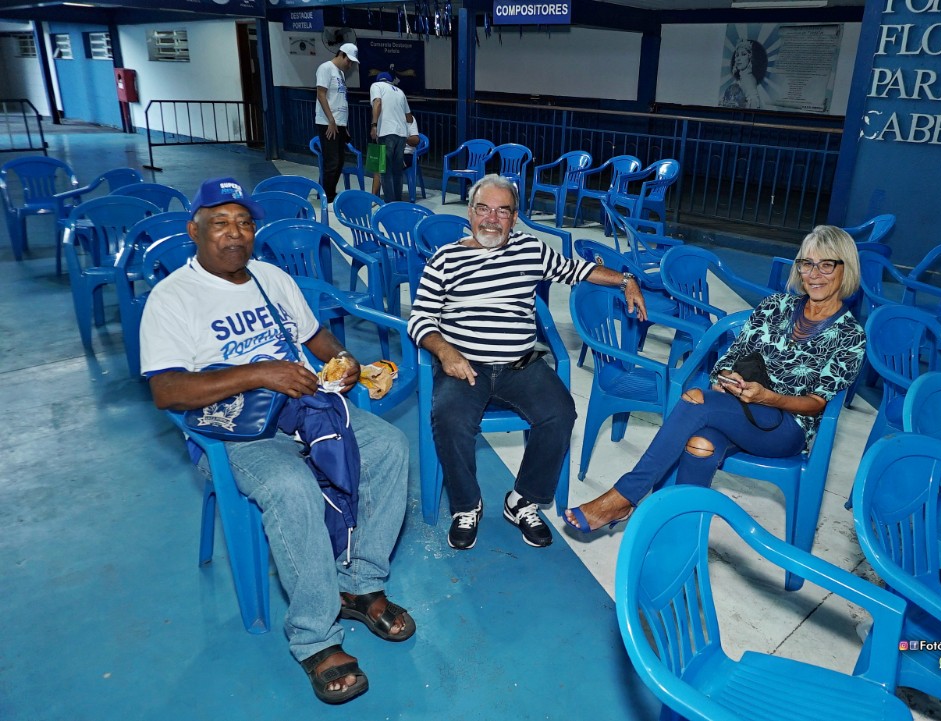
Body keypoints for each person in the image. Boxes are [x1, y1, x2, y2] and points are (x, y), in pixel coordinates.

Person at [140, 177, 415, 705]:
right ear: (194, 230)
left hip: (303, 412)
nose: (235, 233)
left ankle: (359, 583)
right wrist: (260, 373)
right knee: (291, 486)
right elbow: (166, 390)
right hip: (233, 432)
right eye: (220, 223)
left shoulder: (271, 278)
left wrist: (346, 361)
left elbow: (318, 339)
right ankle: (315, 635)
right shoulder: (172, 298)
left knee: (388, 447)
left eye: (244, 223)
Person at [564, 225, 865, 532]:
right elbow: (732, 356)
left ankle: (625, 496)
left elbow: (817, 403)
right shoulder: (775, 306)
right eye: (807, 264)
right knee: (701, 445)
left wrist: (768, 398)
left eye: (826, 265)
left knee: (697, 401)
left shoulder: (850, 335)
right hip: (739, 409)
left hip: (787, 427)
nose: (814, 274)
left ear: (846, 269)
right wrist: (726, 378)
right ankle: (678, 536)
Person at [407, 174, 648, 551]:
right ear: (470, 213)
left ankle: (522, 500)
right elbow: (420, 318)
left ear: (514, 217)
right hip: (466, 365)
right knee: (450, 418)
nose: (492, 219)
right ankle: (467, 506)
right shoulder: (445, 259)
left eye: (502, 211)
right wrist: (445, 351)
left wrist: (626, 280)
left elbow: (577, 270)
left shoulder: (530, 250)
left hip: (521, 364)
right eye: (483, 209)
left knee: (560, 413)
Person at [315, 42, 360, 204]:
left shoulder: (340, 73)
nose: (350, 65)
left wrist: (343, 126)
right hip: (328, 123)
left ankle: (325, 192)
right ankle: (327, 197)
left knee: (339, 161)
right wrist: (331, 120)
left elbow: (340, 99)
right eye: (349, 61)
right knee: (332, 161)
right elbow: (321, 94)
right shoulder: (325, 68)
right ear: (341, 55)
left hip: (339, 124)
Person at [369, 71, 411, 203]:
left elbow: (377, 103)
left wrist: (374, 125)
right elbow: (409, 117)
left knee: (385, 170)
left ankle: (389, 203)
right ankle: (397, 201)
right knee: (397, 171)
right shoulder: (400, 91)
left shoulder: (376, 86)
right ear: (390, 81)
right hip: (402, 135)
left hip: (386, 132)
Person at [371, 112, 419, 200]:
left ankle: (393, 198)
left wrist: (402, 138)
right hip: (389, 151)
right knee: (378, 164)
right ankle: (373, 197)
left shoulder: (409, 119)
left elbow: (416, 140)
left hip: (407, 154)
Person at [721, 39, 767, 109]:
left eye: (743, 54)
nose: (738, 59)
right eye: (737, 55)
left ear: (749, 56)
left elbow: (754, 103)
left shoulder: (748, 79)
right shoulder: (743, 77)